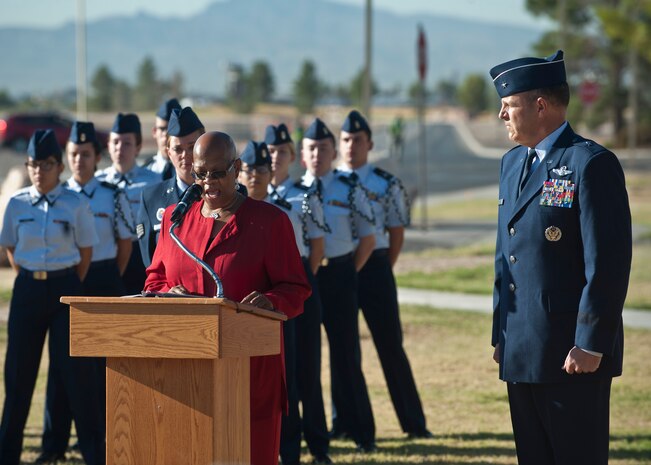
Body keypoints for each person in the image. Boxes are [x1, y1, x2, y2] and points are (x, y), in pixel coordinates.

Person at [490, 50, 632, 465]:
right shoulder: (511, 163)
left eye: (509, 105)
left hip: (572, 355)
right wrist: (502, 332)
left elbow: (607, 264)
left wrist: (590, 343)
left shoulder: (590, 163)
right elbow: (506, 257)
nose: (501, 115)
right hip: (521, 346)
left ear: (540, 105)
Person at [144, 131, 311, 465]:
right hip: (187, 371)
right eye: (200, 174)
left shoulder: (269, 222)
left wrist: (270, 301)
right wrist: (166, 294)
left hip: (250, 371)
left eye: (217, 173)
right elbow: (155, 277)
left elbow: (296, 288)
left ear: (236, 168)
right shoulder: (176, 222)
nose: (208, 183)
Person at [0, 130, 104, 465]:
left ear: (59, 166)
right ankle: (7, 455)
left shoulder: (76, 204)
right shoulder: (16, 204)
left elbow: (85, 252)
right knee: (18, 377)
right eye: (33, 164)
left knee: (77, 376)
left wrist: (63, 281)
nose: (39, 170)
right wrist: (33, 278)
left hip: (65, 290)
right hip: (28, 290)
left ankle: (94, 455)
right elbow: (12, 249)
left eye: (46, 164)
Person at [36, 121, 135, 463]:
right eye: (74, 154)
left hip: (104, 278)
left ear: (97, 157)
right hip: (68, 282)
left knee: (105, 366)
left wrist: (110, 278)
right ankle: (55, 442)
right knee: (64, 366)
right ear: (67, 157)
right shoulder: (56, 194)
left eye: (87, 154)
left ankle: (108, 440)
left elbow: (125, 242)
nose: (80, 161)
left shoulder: (112, 194)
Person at [336, 110, 431, 439]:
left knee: (391, 347)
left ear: (370, 144)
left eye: (357, 140)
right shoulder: (327, 183)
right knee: (344, 350)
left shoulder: (385, 183)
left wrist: (383, 269)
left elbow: (396, 232)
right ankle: (343, 422)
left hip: (376, 269)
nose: (351, 146)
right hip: (340, 268)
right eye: (345, 140)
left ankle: (414, 424)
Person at [240, 133, 331, 465]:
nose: (256, 175)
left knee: (303, 371)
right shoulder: (233, 213)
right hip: (255, 300)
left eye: (262, 168)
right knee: (275, 379)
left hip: (290, 292)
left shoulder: (285, 210)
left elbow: (313, 253)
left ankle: (310, 445)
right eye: (249, 169)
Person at [300, 118, 377, 453]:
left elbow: (368, 239)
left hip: (340, 275)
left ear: (333, 153)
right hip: (304, 279)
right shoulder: (291, 192)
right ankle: (318, 430)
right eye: (311, 148)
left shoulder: (348, 188)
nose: (317, 154)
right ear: (302, 154)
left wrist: (348, 273)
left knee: (346, 357)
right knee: (306, 359)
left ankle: (363, 434)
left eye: (323, 148)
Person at [265, 124, 332, 465]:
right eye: (270, 152)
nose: (275, 157)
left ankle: (319, 443)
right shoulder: (252, 201)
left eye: (282, 152)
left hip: (302, 280)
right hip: (269, 287)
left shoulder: (305, 195)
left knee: (309, 366)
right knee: (283, 370)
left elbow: (317, 247)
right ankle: (284, 443)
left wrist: (302, 280)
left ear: (293, 157)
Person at [96, 113, 159, 294]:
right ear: (108, 145)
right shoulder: (98, 183)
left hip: (141, 255)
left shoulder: (153, 183)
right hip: (108, 255)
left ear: (138, 147)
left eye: (127, 143)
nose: (120, 149)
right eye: (115, 142)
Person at [137, 106, 204, 268]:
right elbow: (150, 263)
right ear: (168, 152)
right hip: (169, 292)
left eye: (191, 147)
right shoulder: (151, 198)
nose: (185, 155)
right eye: (177, 149)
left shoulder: (222, 193)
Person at [142, 97, 182, 180]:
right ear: (154, 132)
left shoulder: (192, 171)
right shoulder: (145, 171)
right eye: (162, 129)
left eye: (172, 129)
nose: (166, 135)